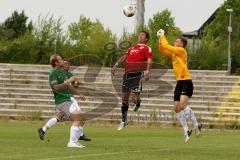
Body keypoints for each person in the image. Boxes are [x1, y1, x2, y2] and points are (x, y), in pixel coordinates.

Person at [157, 29, 202, 143]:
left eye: (177, 41)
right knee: (177, 108)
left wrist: (163, 35)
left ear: (181, 44)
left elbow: (167, 45)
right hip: (179, 82)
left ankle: (197, 125)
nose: (175, 42)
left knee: (182, 105)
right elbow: (163, 49)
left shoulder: (181, 51)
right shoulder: (174, 53)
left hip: (186, 81)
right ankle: (186, 130)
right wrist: (159, 39)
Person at [38, 54, 86, 148]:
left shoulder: (61, 72)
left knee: (81, 117)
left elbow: (69, 86)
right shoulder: (53, 73)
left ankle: (75, 141)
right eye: (60, 59)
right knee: (78, 117)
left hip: (67, 99)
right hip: (62, 101)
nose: (63, 60)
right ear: (56, 62)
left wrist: (79, 94)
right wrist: (67, 82)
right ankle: (72, 142)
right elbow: (55, 88)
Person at [111, 31, 152, 130]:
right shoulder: (132, 48)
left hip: (137, 73)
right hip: (127, 74)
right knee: (124, 98)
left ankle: (137, 102)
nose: (140, 36)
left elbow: (149, 60)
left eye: (142, 35)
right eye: (140, 35)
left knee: (133, 99)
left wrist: (147, 71)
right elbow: (124, 57)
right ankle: (124, 120)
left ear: (146, 39)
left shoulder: (147, 48)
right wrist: (116, 64)